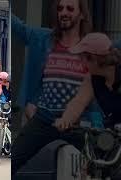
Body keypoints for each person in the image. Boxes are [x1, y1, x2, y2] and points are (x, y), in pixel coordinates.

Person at [12, 0, 100, 174]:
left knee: (104, 166)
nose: (64, 12)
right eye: (60, 8)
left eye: (70, 8)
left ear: (82, 14)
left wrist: (98, 121)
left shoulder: (92, 48)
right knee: (12, 161)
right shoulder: (43, 39)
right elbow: (19, 27)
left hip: (80, 124)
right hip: (44, 119)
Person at [54, 33, 121, 130]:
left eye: (82, 57)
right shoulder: (92, 78)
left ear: (94, 59)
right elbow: (79, 101)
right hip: (112, 133)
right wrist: (65, 119)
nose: (80, 61)